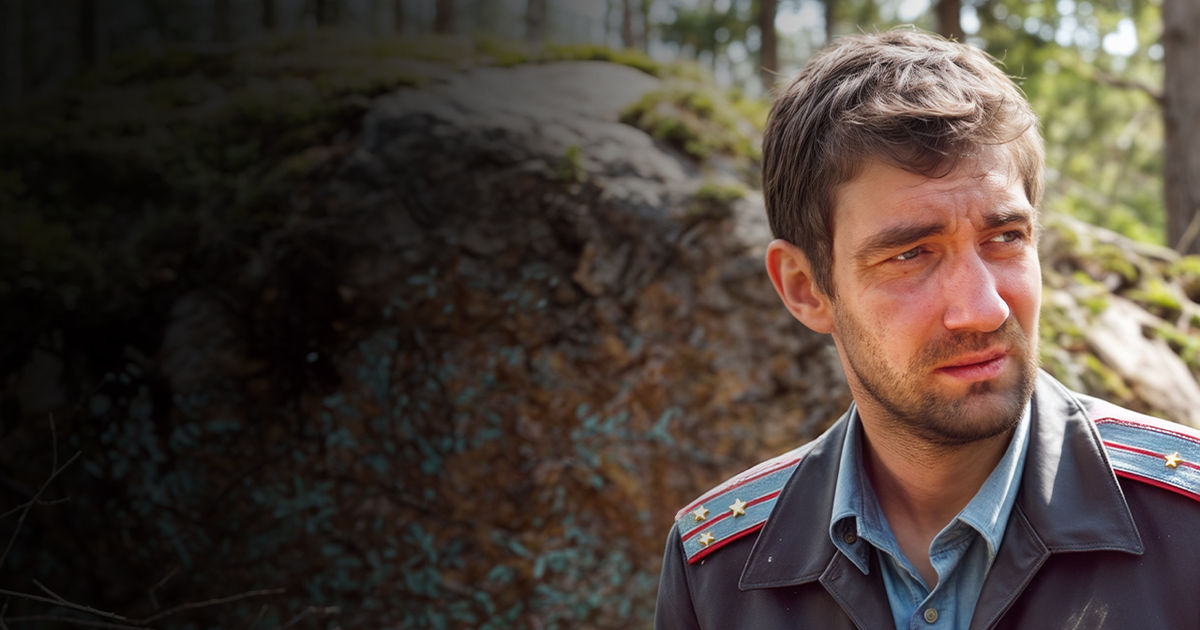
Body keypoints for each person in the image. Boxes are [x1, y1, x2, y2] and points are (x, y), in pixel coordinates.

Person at [654, 28, 1200, 630]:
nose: (984, 309)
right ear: (806, 288)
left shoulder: (1189, 527)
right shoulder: (717, 574)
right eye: (911, 253)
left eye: (1005, 238)